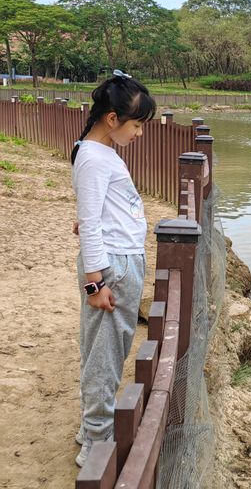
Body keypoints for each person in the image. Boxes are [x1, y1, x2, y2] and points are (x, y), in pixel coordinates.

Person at [71, 70, 156, 467]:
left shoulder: (99, 152)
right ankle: (95, 440)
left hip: (119, 259)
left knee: (109, 349)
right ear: (112, 119)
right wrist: (95, 284)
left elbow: (94, 212)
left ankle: (92, 428)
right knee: (105, 355)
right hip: (112, 268)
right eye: (137, 125)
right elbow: (89, 221)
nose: (140, 133)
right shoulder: (93, 156)